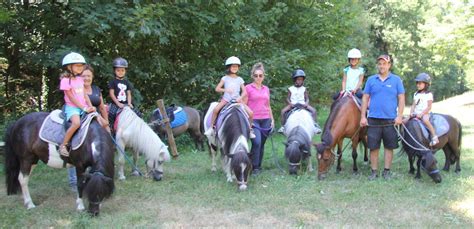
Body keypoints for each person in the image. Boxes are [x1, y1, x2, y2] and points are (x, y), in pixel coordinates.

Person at [360, 54, 405, 180]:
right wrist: (363, 117)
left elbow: (401, 98)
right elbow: (365, 98)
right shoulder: (371, 80)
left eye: (384, 63)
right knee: (373, 147)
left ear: (389, 65)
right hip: (373, 119)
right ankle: (374, 172)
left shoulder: (396, 80)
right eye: (379, 63)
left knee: (389, 146)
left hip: (390, 120)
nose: (382, 66)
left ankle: (386, 171)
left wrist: (400, 116)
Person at [204, 56, 255, 138]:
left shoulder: (240, 79)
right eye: (233, 66)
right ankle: (211, 128)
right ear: (229, 67)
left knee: (251, 113)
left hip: (237, 100)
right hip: (226, 99)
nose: (235, 68)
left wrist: (240, 98)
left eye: (236, 66)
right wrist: (226, 90)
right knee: (216, 110)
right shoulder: (225, 78)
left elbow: (245, 91)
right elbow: (217, 89)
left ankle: (249, 129)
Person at [59, 52, 96, 157]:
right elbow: (71, 98)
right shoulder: (65, 81)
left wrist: (90, 106)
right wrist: (84, 108)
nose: (80, 68)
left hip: (84, 107)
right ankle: (63, 145)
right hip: (73, 108)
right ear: (69, 67)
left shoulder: (80, 79)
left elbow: (85, 94)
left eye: (81, 65)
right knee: (76, 123)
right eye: (77, 66)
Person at [244, 63, 274, 175]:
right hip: (254, 120)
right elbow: (243, 103)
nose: (258, 78)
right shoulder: (248, 88)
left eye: (260, 75)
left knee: (261, 144)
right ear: (252, 76)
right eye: (256, 75)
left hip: (266, 119)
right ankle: (253, 166)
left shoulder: (266, 89)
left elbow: (268, 105)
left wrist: (272, 119)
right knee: (256, 143)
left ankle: (258, 166)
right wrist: (249, 115)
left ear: (263, 76)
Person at [278, 69, 321, 134]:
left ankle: (315, 126)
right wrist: (290, 103)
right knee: (283, 111)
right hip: (293, 104)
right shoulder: (291, 89)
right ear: (295, 80)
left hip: (302, 104)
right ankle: (283, 126)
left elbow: (307, 98)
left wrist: (306, 103)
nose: (300, 81)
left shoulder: (304, 88)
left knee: (314, 111)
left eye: (301, 79)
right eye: (298, 79)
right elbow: (287, 98)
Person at [108, 57, 141, 131]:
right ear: (114, 71)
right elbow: (111, 94)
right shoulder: (113, 82)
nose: (120, 72)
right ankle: (111, 128)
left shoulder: (127, 82)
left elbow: (129, 94)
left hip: (125, 103)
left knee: (138, 113)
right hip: (115, 103)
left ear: (125, 71)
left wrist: (129, 103)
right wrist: (118, 103)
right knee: (111, 113)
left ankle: (138, 129)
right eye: (118, 70)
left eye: (122, 70)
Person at [409, 73, 439, 146]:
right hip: (416, 113)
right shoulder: (416, 94)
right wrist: (411, 113)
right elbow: (413, 105)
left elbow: (429, 107)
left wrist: (421, 114)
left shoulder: (428, 94)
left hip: (425, 113)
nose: (418, 85)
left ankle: (435, 137)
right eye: (417, 83)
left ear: (426, 84)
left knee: (425, 120)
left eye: (420, 83)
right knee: (405, 120)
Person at [83, 65, 110, 133]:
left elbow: (102, 108)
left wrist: (106, 123)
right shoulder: (77, 89)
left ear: (92, 77)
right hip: (84, 118)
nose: (86, 78)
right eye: (84, 76)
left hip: (98, 118)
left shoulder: (96, 89)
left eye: (89, 76)